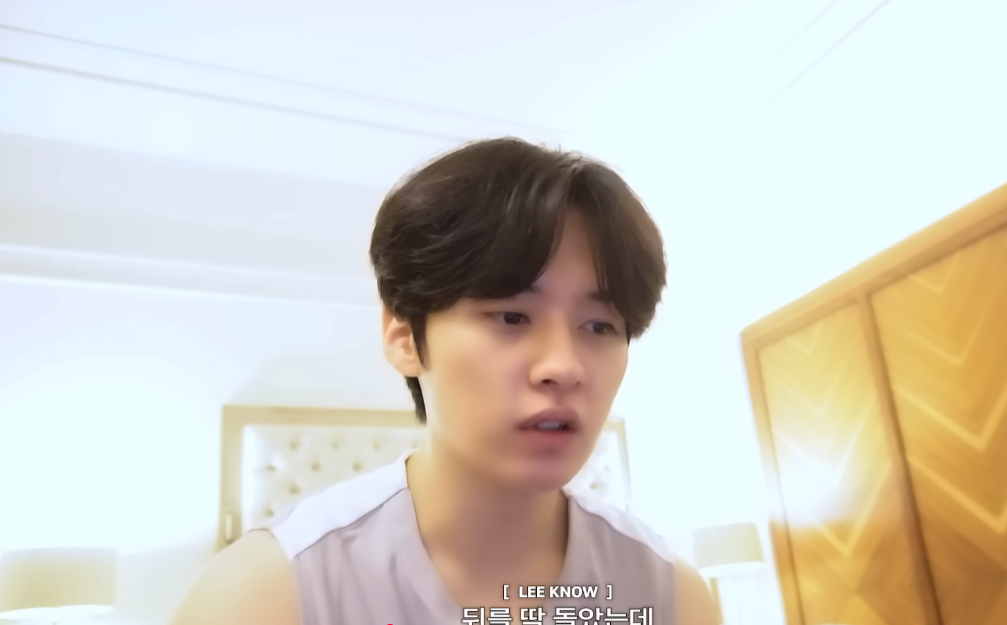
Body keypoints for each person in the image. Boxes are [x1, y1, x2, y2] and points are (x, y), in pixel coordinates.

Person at [170, 138, 718, 625]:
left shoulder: (670, 597)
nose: (565, 366)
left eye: (600, 326)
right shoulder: (268, 593)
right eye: (512, 317)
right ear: (404, 336)